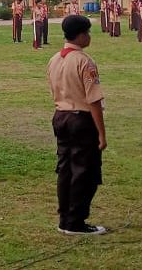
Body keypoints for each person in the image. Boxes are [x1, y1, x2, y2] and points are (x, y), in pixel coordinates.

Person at [47, 15, 108, 236]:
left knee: (65, 170)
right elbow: (93, 100)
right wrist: (101, 133)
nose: (89, 37)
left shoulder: (54, 59)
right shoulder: (84, 61)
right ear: (81, 35)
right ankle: (76, 221)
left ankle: (65, 217)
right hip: (81, 119)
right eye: (88, 33)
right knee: (85, 171)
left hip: (60, 115)